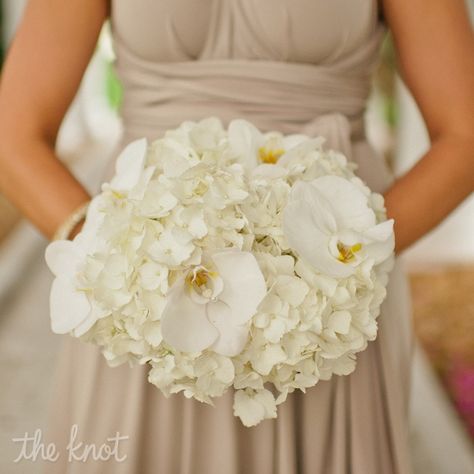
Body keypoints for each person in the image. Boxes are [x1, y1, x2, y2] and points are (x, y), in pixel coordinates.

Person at [0, 1, 473, 473]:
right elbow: (15, 133)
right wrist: (123, 262)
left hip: (334, 299)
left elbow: (464, 133)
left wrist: (336, 264)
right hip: (151, 293)